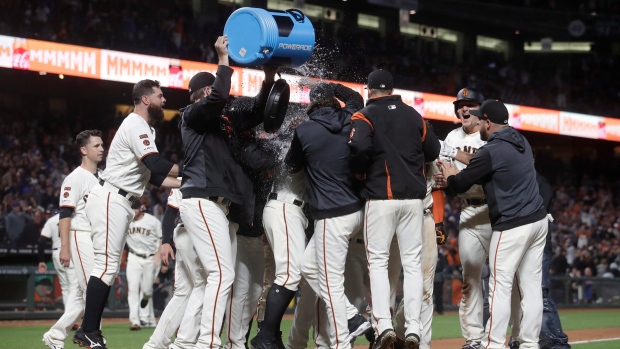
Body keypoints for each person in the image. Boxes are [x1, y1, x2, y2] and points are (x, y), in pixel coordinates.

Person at [73, 78, 181, 347]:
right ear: (145, 99)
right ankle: (88, 331)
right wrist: (195, 169)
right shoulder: (135, 124)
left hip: (119, 199)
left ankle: (90, 331)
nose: (164, 100)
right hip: (112, 197)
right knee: (107, 266)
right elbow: (156, 163)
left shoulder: (144, 128)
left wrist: (187, 181)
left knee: (107, 267)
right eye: (159, 95)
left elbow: (155, 176)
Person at [436, 99, 548, 349]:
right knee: (530, 286)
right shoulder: (522, 141)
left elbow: (459, 185)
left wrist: (450, 172)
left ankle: (493, 343)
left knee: (500, 285)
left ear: (487, 122)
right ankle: (529, 343)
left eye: (480, 118)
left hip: (512, 223)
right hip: (537, 221)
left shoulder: (491, 150)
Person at [348, 69, 440, 349]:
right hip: (414, 200)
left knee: (378, 263)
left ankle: (384, 325)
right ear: (392, 90)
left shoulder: (365, 115)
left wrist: (362, 171)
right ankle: (413, 328)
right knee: (412, 265)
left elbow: (358, 147)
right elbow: (433, 150)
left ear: (370, 90)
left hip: (381, 197)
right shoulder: (414, 115)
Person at [280, 81, 369, 349]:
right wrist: (330, 85)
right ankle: (353, 316)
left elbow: (290, 165)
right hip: (356, 211)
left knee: (330, 288)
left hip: (331, 215)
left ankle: (343, 341)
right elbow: (355, 96)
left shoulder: (305, 130)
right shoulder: (350, 118)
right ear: (334, 100)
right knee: (308, 267)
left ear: (311, 105)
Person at [178, 35, 250, 349]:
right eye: (213, 91)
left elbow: (253, 112)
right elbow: (219, 95)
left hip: (214, 206)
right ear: (205, 92)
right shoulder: (191, 114)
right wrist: (223, 59)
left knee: (213, 278)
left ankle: (186, 342)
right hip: (202, 200)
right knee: (221, 274)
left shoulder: (217, 125)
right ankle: (207, 343)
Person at [437, 87, 492, 349]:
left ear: (481, 110)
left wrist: (452, 156)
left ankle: (509, 335)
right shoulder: (451, 136)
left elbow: (483, 164)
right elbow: (445, 176)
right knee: (470, 277)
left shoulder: (489, 134)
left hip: (495, 212)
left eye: (470, 103)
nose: (464, 108)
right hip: (468, 210)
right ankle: (473, 338)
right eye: (461, 104)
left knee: (503, 277)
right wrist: (441, 178)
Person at [41, 130, 105, 349]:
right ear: (83, 150)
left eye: (102, 145)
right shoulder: (74, 178)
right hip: (81, 234)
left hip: (97, 237)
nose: (101, 149)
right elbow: (65, 214)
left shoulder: (103, 177)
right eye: (96, 145)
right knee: (94, 288)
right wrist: (65, 246)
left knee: (80, 295)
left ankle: (56, 335)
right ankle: (94, 335)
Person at [508, 168, 571, 349]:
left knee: (540, 293)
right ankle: (519, 338)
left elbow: (537, 210)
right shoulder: (514, 178)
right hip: (519, 244)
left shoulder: (540, 182)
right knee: (516, 293)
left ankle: (557, 341)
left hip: (539, 245)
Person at [126, 199, 162, 330]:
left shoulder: (153, 221)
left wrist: (159, 254)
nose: (133, 211)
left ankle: (146, 313)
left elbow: (161, 238)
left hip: (151, 257)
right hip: (133, 256)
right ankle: (135, 320)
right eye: (132, 208)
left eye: (135, 208)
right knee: (133, 288)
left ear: (141, 208)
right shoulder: (126, 220)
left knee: (147, 290)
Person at [38, 212, 77, 308]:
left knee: (65, 287)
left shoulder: (51, 220)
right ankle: (72, 316)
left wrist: (41, 261)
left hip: (56, 253)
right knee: (74, 286)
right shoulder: (74, 218)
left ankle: (68, 316)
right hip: (69, 251)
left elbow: (41, 241)